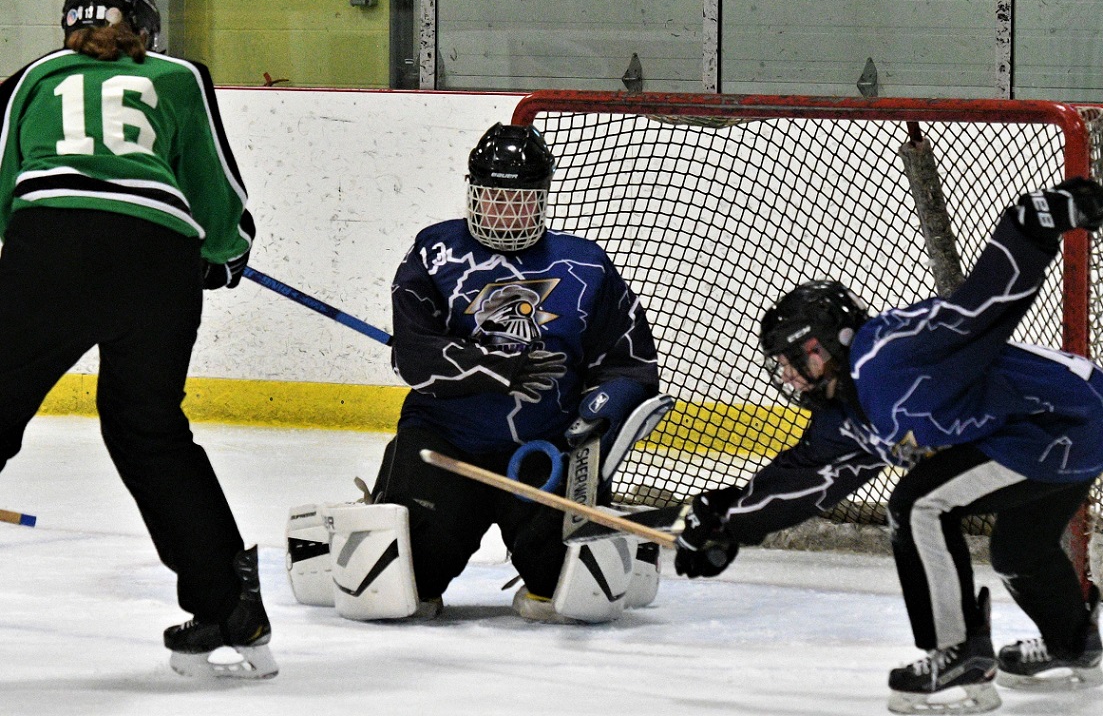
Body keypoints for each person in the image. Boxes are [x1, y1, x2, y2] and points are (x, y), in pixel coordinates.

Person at [673, 177, 1103, 713]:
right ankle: (1073, 642)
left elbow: (982, 304)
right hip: (1050, 430)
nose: (789, 376)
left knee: (919, 505)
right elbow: (807, 476)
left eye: (794, 359)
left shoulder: (890, 353)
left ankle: (957, 653)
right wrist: (726, 520)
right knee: (1020, 549)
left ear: (828, 342)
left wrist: (1032, 225)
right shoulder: (848, 409)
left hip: (1064, 418)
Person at [0, 0, 275, 679]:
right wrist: (222, 255)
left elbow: (2, 175)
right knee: (148, 428)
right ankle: (227, 607)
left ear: (68, 26)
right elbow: (217, 192)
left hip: (52, 246)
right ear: (147, 26)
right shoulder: (179, 75)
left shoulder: (34, 76)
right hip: (157, 263)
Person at [371, 122, 660, 621]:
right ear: (472, 193)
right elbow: (414, 359)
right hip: (445, 441)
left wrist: (595, 417)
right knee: (404, 592)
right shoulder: (433, 252)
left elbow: (629, 364)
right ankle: (390, 507)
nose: (506, 211)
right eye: (493, 197)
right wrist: (495, 367)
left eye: (522, 199)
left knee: (570, 596)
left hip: (544, 447)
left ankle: (583, 546)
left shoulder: (586, 265)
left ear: (542, 198)